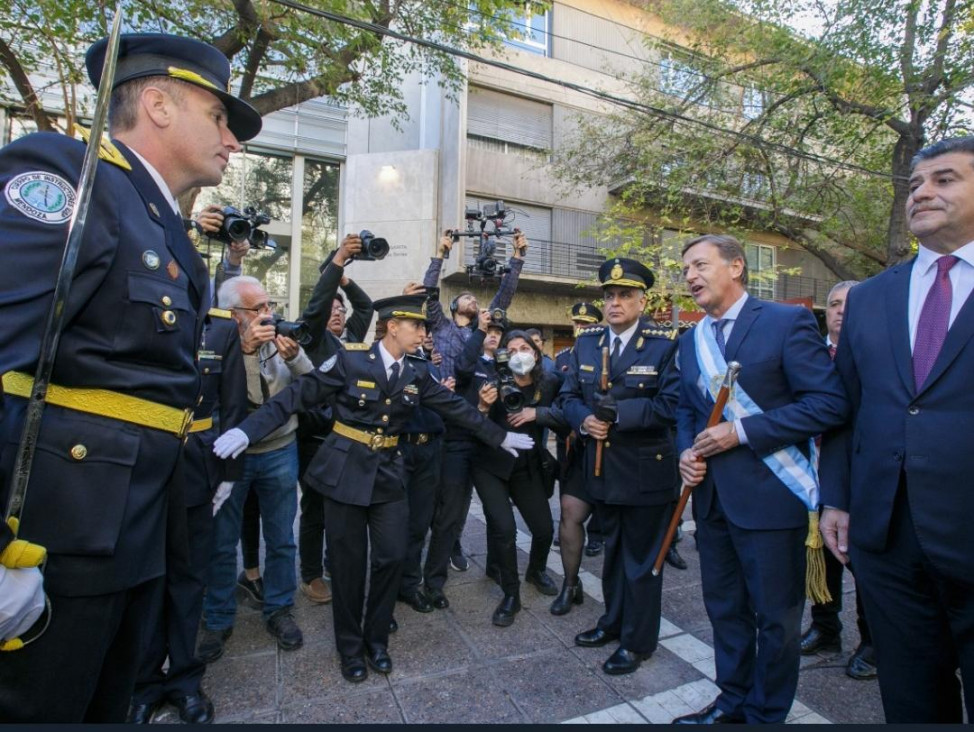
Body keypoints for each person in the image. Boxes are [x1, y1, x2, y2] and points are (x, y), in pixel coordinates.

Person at [0, 32, 260, 722]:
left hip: (136, 529)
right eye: (219, 117)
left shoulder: (166, 231)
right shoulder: (73, 177)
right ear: (157, 104)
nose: (233, 141)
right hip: (59, 534)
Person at [212, 294, 533, 683]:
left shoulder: (416, 372)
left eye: (425, 328)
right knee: (348, 566)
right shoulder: (350, 360)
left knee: (391, 557)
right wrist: (247, 431)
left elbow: (454, 407)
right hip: (345, 473)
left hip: (388, 474)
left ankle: (376, 639)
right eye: (417, 326)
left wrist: (499, 436)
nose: (423, 334)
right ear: (392, 327)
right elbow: (296, 395)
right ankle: (350, 647)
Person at [820, 136, 974, 723]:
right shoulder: (873, 296)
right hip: (888, 539)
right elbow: (846, 406)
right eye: (915, 185)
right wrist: (836, 496)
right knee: (911, 700)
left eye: (944, 179)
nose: (924, 193)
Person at [672, 235, 848, 724]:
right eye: (685, 269)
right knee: (725, 612)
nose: (689, 276)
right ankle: (732, 700)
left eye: (700, 265)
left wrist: (743, 431)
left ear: (736, 266)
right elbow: (686, 409)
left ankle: (766, 714)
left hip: (772, 498)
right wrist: (685, 452)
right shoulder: (691, 340)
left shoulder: (784, 321)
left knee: (775, 619)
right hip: (712, 503)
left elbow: (828, 403)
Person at [560, 258, 681, 676]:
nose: (614, 303)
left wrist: (618, 415)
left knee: (642, 561)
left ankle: (637, 641)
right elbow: (568, 394)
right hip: (602, 470)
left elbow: (670, 406)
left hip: (647, 471)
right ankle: (612, 622)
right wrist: (583, 419)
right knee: (613, 556)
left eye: (624, 295)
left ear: (641, 300)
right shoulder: (588, 342)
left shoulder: (665, 343)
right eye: (609, 296)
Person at [127, 307, 247, 724]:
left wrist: (230, 472)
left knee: (188, 576)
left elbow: (233, 404)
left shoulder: (223, 328)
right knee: (144, 578)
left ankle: (183, 679)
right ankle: (142, 683)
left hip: (198, 466)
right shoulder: (142, 313)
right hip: (139, 463)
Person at [199, 276, 313, 662]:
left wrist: (294, 356)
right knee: (221, 540)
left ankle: (279, 608)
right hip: (233, 456)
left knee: (282, 537)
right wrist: (244, 352)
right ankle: (216, 618)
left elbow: (313, 384)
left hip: (281, 450)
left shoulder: (280, 340)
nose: (269, 315)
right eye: (259, 309)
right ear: (234, 316)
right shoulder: (215, 342)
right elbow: (214, 398)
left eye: (269, 306)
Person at [423, 230, 527, 573]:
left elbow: (504, 295)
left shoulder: (483, 333)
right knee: (441, 488)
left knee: (461, 493)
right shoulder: (439, 327)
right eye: (466, 297)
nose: (473, 301)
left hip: (474, 413)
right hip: (441, 412)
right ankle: (444, 539)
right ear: (454, 307)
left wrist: (517, 259)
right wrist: (441, 252)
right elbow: (429, 291)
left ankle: (453, 542)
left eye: (475, 299)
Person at [799, 280, 876, 681]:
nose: (842, 311)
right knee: (818, 559)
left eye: (851, 304)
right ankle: (826, 628)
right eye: (834, 304)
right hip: (810, 476)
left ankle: (873, 641)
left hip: (858, 478)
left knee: (862, 563)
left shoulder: (876, 353)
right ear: (825, 312)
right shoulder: (807, 354)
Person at [293, 234, 374, 605]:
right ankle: (311, 574)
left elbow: (366, 306)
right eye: (332, 309)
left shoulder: (353, 338)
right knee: (315, 509)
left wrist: (344, 280)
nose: (338, 313)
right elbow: (317, 305)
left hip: (350, 440)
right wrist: (336, 263)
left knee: (342, 509)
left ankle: (333, 563)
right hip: (315, 442)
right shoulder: (311, 338)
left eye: (340, 310)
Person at [472, 330, 566, 626]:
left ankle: (536, 570)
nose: (518, 354)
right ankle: (511, 594)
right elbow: (472, 425)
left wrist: (535, 414)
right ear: (503, 357)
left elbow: (566, 414)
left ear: (536, 353)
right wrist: (483, 407)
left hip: (527, 466)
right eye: (510, 350)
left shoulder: (549, 383)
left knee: (543, 529)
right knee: (504, 528)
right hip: (490, 466)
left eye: (524, 347)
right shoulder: (492, 382)